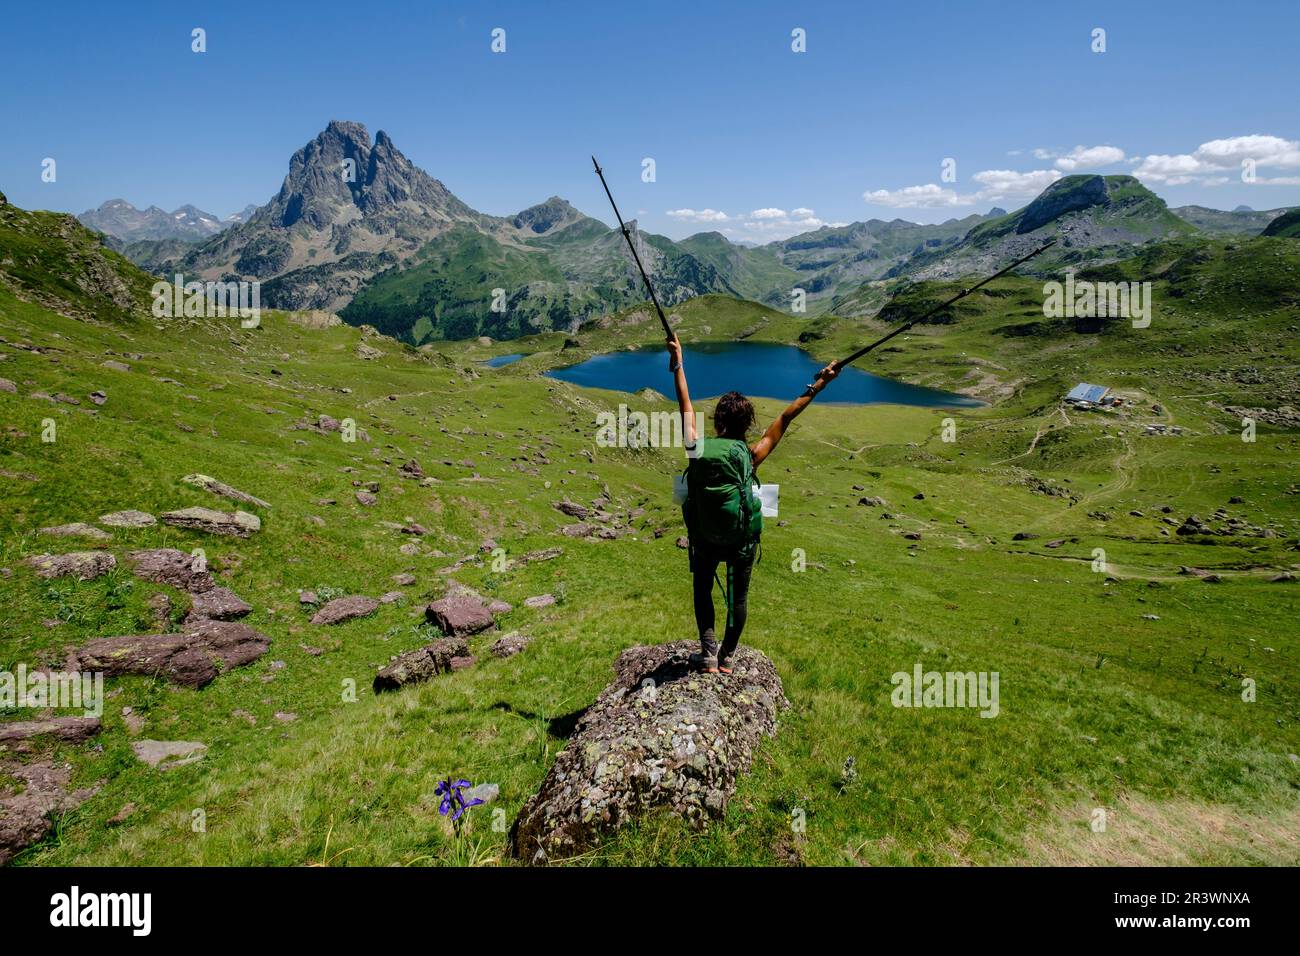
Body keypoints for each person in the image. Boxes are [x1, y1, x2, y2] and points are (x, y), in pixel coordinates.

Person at [667, 334, 839, 673]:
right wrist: (820, 383)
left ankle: (707, 653)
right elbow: (786, 417)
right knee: (739, 598)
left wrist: (678, 362)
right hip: (740, 541)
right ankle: (728, 656)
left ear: (717, 422)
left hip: (703, 539)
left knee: (702, 591)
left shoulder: (696, 448)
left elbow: (685, 405)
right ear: (748, 425)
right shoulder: (751, 454)